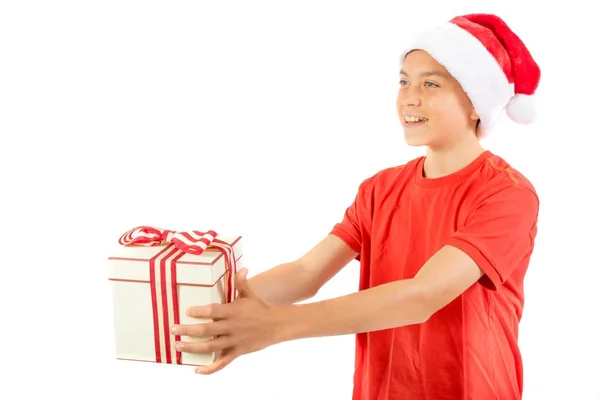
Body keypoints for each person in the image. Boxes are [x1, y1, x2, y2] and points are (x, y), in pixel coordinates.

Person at [170, 13, 541, 400]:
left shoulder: (507, 194)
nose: (409, 98)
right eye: (403, 82)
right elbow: (305, 272)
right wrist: (210, 306)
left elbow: (423, 295)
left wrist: (276, 325)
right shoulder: (380, 188)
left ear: (476, 104)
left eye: (431, 84)